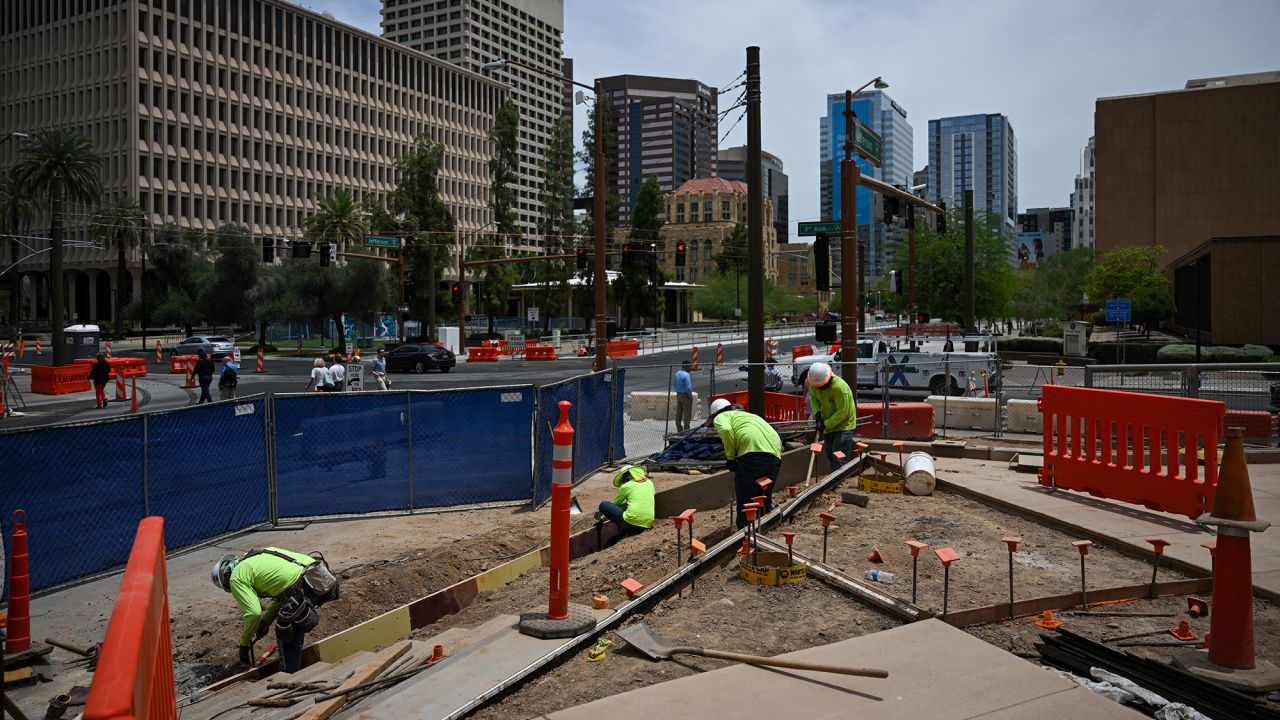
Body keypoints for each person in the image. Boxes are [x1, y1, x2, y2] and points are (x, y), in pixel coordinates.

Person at [211, 547, 339, 674]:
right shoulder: (256, 556)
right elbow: (284, 594)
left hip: (302, 584)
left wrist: (244, 644)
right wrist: (266, 621)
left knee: (286, 631)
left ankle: (289, 676)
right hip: (319, 573)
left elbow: (253, 613)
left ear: (226, 577)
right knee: (292, 621)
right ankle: (294, 667)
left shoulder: (236, 578)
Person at [706, 398, 782, 529]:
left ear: (714, 414)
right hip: (775, 455)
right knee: (763, 498)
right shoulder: (749, 416)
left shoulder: (721, 416)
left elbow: (725, 430)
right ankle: (767, 530)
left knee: (745, 499)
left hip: (752, 455)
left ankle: (744, 537)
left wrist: (730, 458)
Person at [807, 362, 857, 471]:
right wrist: (818, 414)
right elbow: (814, 399)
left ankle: (836, 481)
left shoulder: (839, 387)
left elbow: (843, 412)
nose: (819, 388)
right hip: (829, 424)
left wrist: (826, 424)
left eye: (822, 386)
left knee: (838, 456)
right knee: (830, 454)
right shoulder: (815, 383)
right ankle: (835, 477)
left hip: (844, 426)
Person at [597, 464, 655, 547]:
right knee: (625, 516)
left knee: (603, 505)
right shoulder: (649, 483)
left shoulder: (625, 486)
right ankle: (622, 533)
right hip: (648, 523)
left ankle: (623, 531)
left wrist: (602, 520)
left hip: (632, 523)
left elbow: (615, 504)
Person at [673, 360, 693, 432]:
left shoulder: (677, 374)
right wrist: (690, 396)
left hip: (678, 395)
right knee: (687, 414)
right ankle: (686, 431)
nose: (690, 368)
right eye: (689, 366)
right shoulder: (686, 375)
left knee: (679, 413)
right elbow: (688, 387)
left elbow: (675, 384)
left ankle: (679, 429)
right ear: (686, 366)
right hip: (685, 396)